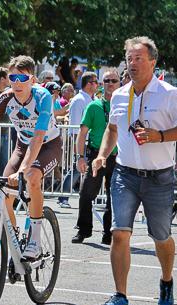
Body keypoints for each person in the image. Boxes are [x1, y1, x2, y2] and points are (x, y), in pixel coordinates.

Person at [93, 36, 177, 305]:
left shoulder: (169, 93)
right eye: (129, 58)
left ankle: (166, 281)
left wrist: (159, 136)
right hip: (124, 174)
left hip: (159, 178)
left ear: (153, 61)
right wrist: (103, 155)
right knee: (119, 234)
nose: (133, 63)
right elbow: (112, 130)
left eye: (139, 58)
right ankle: (121, 297)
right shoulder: (118, 94)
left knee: (161, 236)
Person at [0, 55, 62, 261]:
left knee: (32, 177)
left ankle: (34, 240)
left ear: (33, 80)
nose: (17, 83)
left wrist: (22, 171)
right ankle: (15, 239)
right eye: (13, 77)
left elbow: (38, 137)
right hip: (22, 146)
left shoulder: (42, 97)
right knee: (4, 191)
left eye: (23, 78)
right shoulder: (4, 98)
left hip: (48, 145)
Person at [71, 69, 120, 245]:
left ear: (119, 82)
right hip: (95, 154)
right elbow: (82, 133)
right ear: (102, 84)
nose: (110, 83)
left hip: (116, 156)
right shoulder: (94, 106)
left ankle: (109, 233)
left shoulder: (123, 105)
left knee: (114, 197)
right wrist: (80, 157)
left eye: (114, 80)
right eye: (107, 80)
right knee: (85, 194)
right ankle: (83, 230)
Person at [58, 72, 98, 208]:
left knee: (84, 169)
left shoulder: (89, 99)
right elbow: (75, 126)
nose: (97, 85)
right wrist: (77, 146)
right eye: (95, 82)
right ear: (89, 84)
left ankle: (93, 197)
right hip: (81, 141)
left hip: (89, 141)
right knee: (76, 168)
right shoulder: (79, 100)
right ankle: (63, 196)